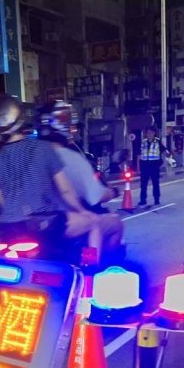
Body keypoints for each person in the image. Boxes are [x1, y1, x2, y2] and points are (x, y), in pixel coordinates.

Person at [0, 94, 99, 262]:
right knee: (94, 224)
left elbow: (0, 202)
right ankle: (89, 276)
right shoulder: (43, 149)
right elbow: (66, 191)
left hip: (11, 229)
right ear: (21, 119)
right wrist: (82, 211)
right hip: (47, 225)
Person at [36, 100, 124, 261]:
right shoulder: (71, 158)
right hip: (61, 223)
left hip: (30, 224)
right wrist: (113, 192)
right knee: (114, 225)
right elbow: (94, 195)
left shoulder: (29, 157)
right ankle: (97, 270)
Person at [137, 126, 165, 207]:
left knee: (155, 183)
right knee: (143, 184)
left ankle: (156, 199)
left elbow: (164, 151)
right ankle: (143, 200)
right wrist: (138, 167)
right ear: (146, 134)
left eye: (151, 133)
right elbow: (138, 155)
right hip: (144, 165)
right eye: (148, 133)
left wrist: (169, 154)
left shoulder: (158, 142)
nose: (149, 134)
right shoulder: (142, 142)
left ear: (154, 133)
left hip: (154, 166)